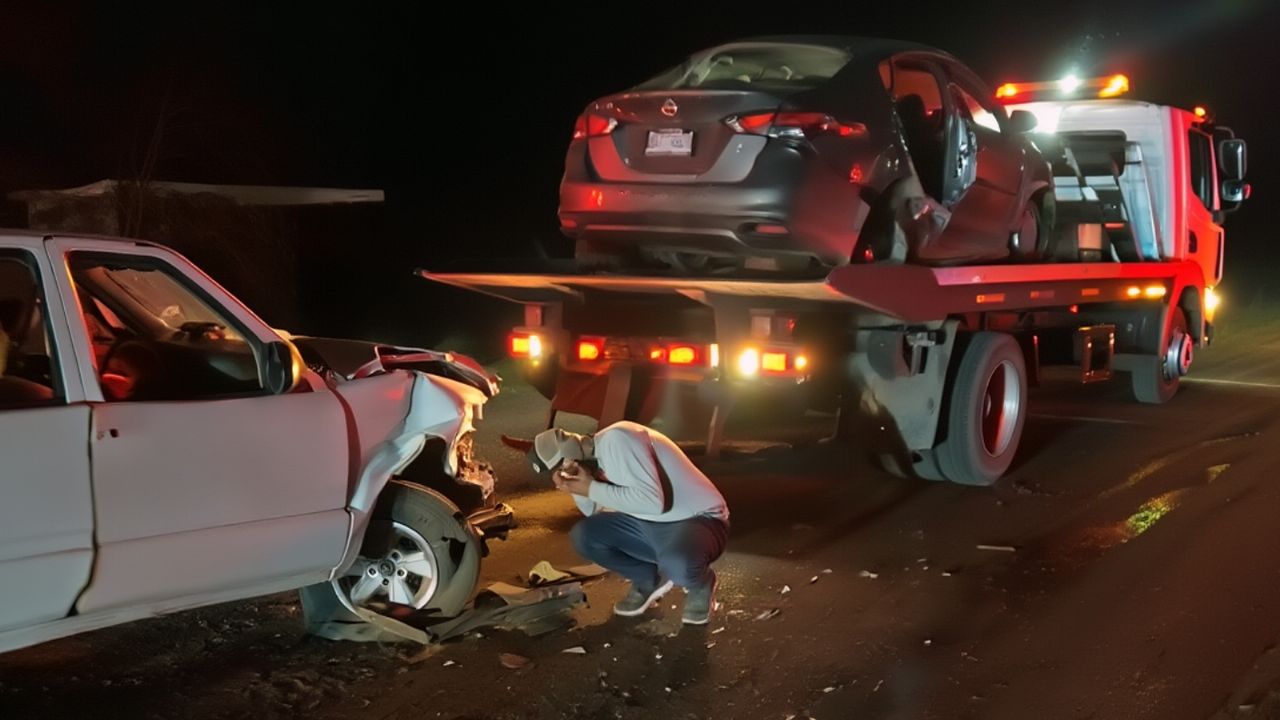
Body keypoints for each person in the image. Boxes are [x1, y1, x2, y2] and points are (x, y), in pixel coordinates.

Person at [528, 421, 729, 625]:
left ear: (570, 456)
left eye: (561, 468)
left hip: (697, 520)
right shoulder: (593, 460)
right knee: (584, 536)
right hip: (647, 522)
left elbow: (653, 503)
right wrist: (577, 488)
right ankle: (647, 579)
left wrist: (590, 488)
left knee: (678, 566)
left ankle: (700, 583)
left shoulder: (618, 440)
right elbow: (592, 510)